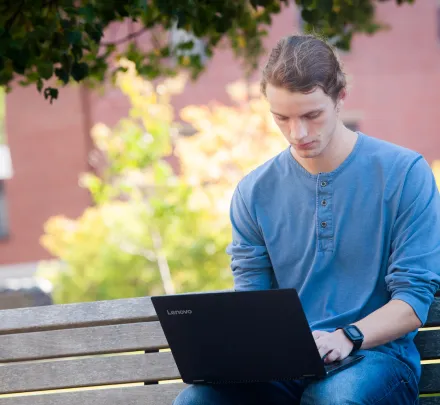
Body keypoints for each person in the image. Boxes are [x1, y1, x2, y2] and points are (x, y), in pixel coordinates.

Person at [173, 33, 440, 405]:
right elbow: (253, 303)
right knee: (195, 402)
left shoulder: (404, 174)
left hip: (376, 360)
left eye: (312, 115)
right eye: (281, 118)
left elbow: (412, 302)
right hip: (285, 369)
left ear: (340, 97)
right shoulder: (253, 192)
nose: (297, 133)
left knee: (330, 399)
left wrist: (347, 337)